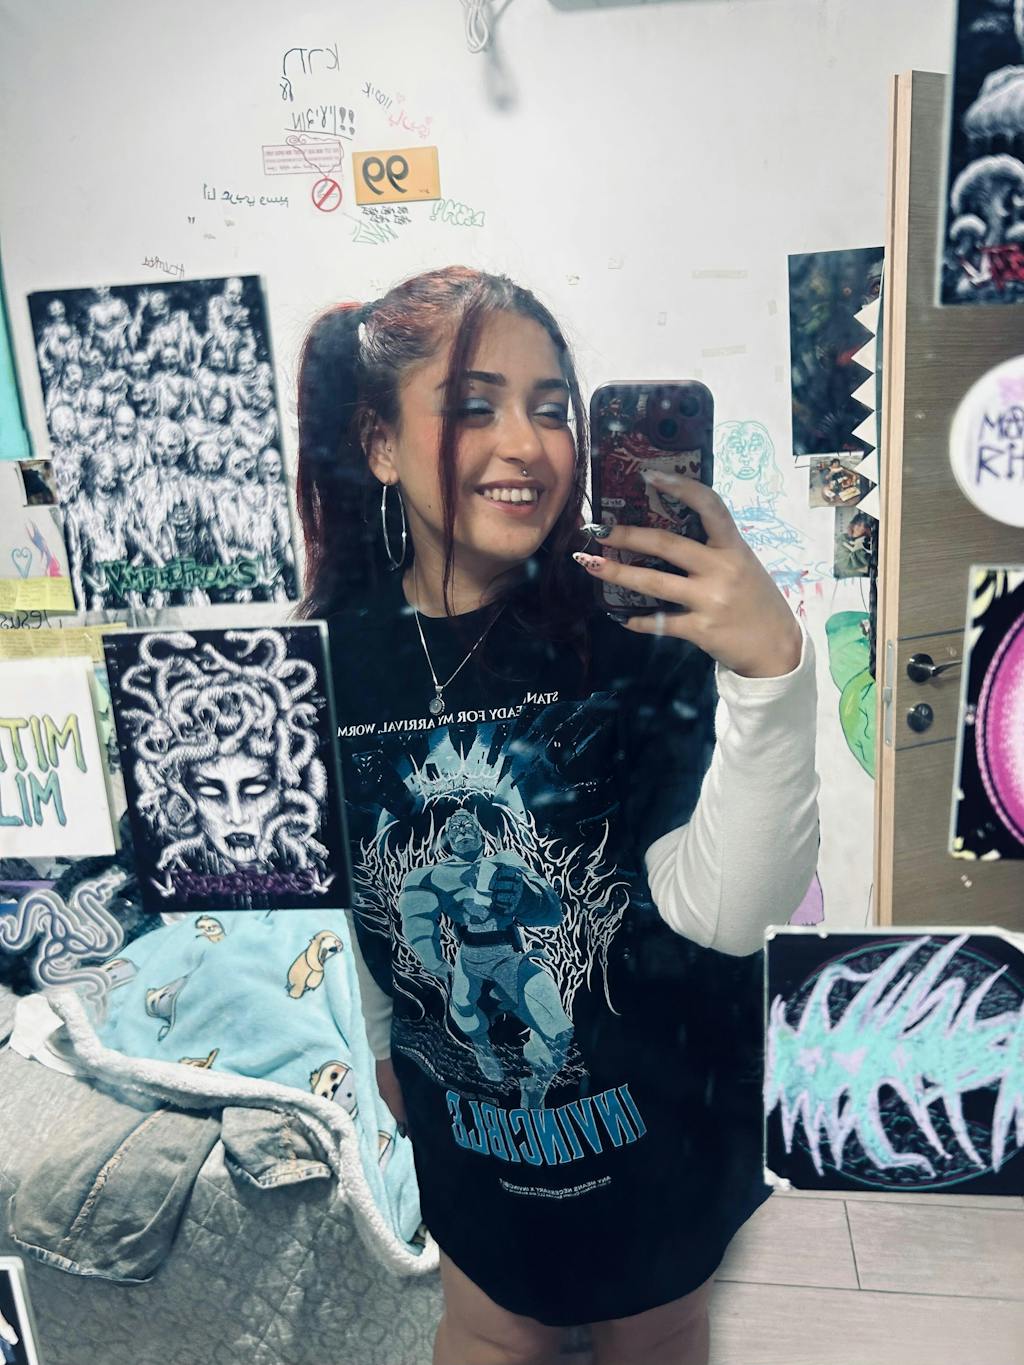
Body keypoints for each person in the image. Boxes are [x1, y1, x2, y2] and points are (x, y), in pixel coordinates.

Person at [297, 267, 819, 1365]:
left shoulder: (638, 622)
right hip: (466, 1116)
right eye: (474, 405)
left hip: (660, 1103)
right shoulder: (332, 659)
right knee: (491, 1322)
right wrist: (385, 1043)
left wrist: (771, 671)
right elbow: (359, 890)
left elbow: (726, 915)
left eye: (550, 408)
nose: (527, 445)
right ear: (380, 442)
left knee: (655, 1327)